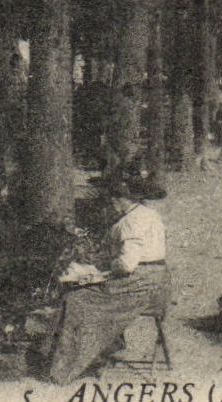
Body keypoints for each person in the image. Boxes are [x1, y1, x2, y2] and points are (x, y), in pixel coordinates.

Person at [44, 164, 169, 385]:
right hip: (158, 281)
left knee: (77, 299)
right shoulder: (148, 214)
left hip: (139, 283)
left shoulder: (131, 221)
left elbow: (127, 264)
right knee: (87, 293)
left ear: (124, 199)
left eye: (115, 199)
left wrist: (102, 271)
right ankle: (103, 348)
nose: (112, 203)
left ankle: (69, 365)